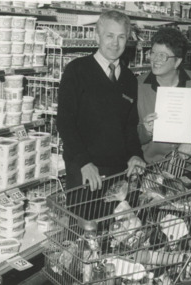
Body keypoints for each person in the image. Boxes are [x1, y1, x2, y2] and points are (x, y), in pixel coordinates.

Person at [57, 10, 146, 219]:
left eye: (121, 37)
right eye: (109, 36)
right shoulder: (77, 70)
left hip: (118, 172)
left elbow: (129, 126)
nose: (115, 43)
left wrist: (135, 155)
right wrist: (83, 163)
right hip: (85, 170)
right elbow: (65, 122)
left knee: (116, 234)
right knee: (83, 233)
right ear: (97, 37)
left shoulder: (129, 78)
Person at [137, 27, 191, 163]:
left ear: (177, 61)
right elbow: (127, 135)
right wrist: (145, 131)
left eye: (162, 55)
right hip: (151, 167)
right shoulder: (138, 86)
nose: (155, 59)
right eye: (153, 53)